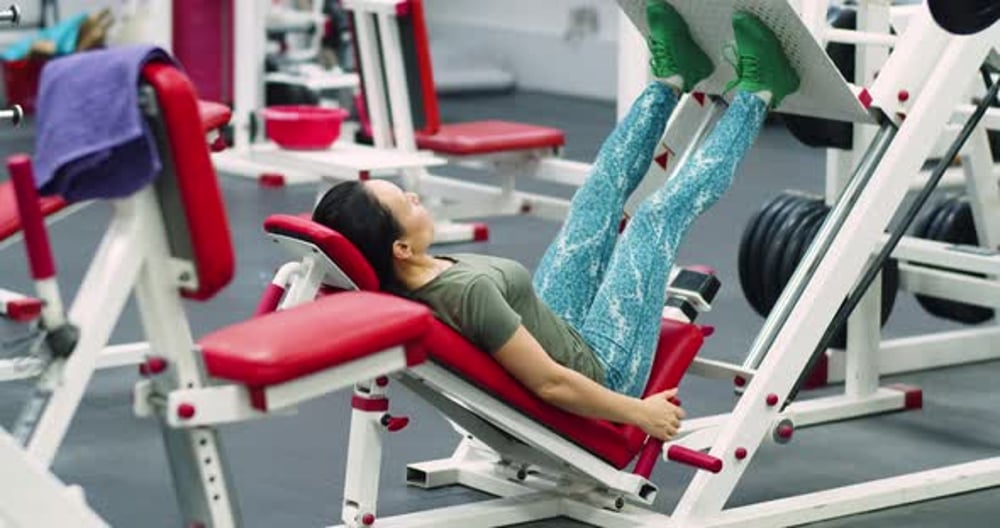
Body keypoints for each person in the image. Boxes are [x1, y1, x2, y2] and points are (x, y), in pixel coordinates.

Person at [313, 2, 800, 442]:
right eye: (407, 203)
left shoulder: (405, 274)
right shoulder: (464, 294)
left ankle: (671, 80)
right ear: (399, 247)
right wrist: (638, 412)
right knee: (654, 219)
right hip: (602, 369)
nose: (416, 195)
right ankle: (760, 92)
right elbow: (550, 382)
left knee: (594, 197)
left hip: (556, 323)